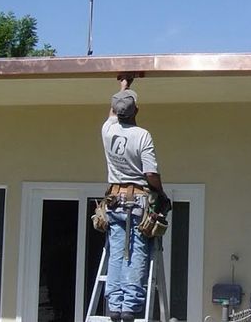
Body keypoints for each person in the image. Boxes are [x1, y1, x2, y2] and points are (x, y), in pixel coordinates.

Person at [101, 78, 170, 321]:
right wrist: (161, 193)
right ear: (136, 111)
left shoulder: (107, 129)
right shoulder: (142, 135)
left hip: (114, 201)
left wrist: (123, 86)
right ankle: (130, 307)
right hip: (138, 202)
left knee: (118, 253)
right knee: (136, 252)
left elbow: (113, 111)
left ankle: (115, 304)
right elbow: (150, 173)